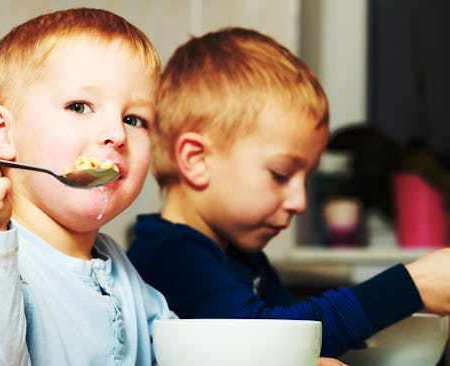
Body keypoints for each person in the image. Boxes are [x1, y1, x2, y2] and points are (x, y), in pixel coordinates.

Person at [126, 26, 450, 358]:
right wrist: (412, 286)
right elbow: (271, 341)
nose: (300, 202)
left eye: (305, 179)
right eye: (281, 174)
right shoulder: (174, 255)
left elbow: (309, 331)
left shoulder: (241, 258)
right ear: (196, 160)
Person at [0, 8, 177, 365]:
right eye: (79, 106)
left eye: (134, 119)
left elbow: (174, 344)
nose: (117, 135)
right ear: (1, 133)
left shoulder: (116, 265)